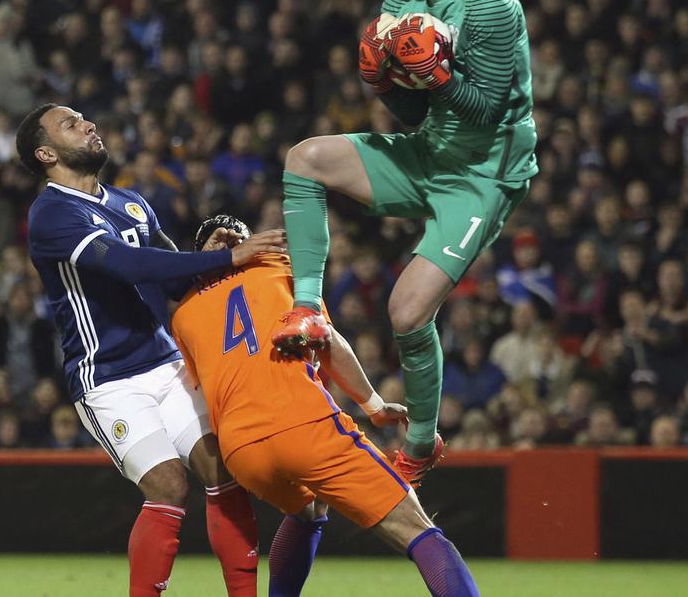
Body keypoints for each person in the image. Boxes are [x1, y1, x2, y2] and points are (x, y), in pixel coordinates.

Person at [274, 0, 536, 484]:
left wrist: (434, 77)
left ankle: (420, 442)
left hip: (483, 175)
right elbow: (417, 116)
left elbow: (486, 111)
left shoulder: (493, 6)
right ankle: (308, 310)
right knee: (305, 159)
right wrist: (385, 85)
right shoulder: (402, 3)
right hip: (430, 151)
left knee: (406, 311)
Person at [17, 103, 286, 596]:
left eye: (84, 117)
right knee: (168, 485)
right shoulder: (51, 215)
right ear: (46, 154)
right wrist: (230, 257)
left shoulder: (132, 203)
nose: (89, 124)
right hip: (107, 379)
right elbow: (127, 264)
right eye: (70, 124)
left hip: (167, 364)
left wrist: (208, 256)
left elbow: (173, 275)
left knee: (222, 470)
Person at [173, 215, 480, 597]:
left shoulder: (182, 314)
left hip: (241, 448)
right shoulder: (280, 268)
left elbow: (203, 387)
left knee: (308, 510)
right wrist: (374, 405)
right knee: (416, 527)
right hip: (301, 421)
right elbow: (325, 338)